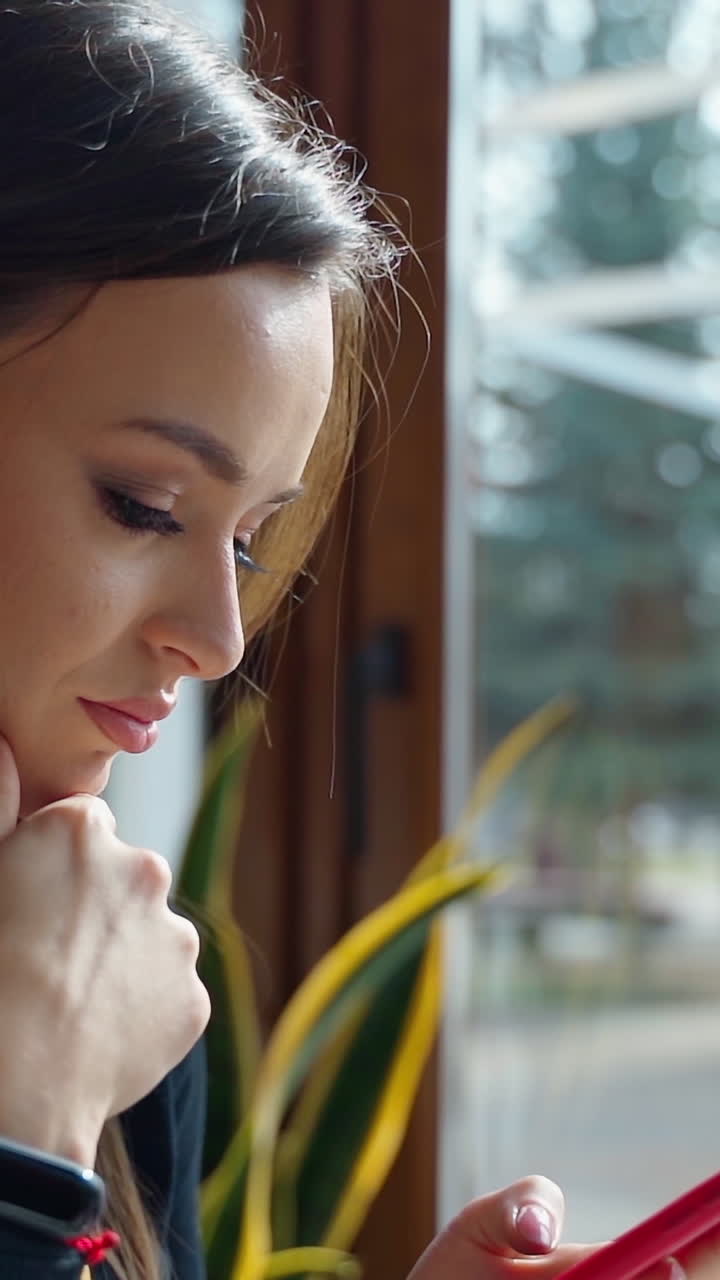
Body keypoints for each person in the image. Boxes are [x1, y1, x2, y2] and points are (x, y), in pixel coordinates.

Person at [0, 2, 703, 1279]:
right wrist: (26, 1132)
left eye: (252, 539)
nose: (217, 640)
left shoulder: (114, 967)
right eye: (144, 506)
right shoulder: (60, 1005)